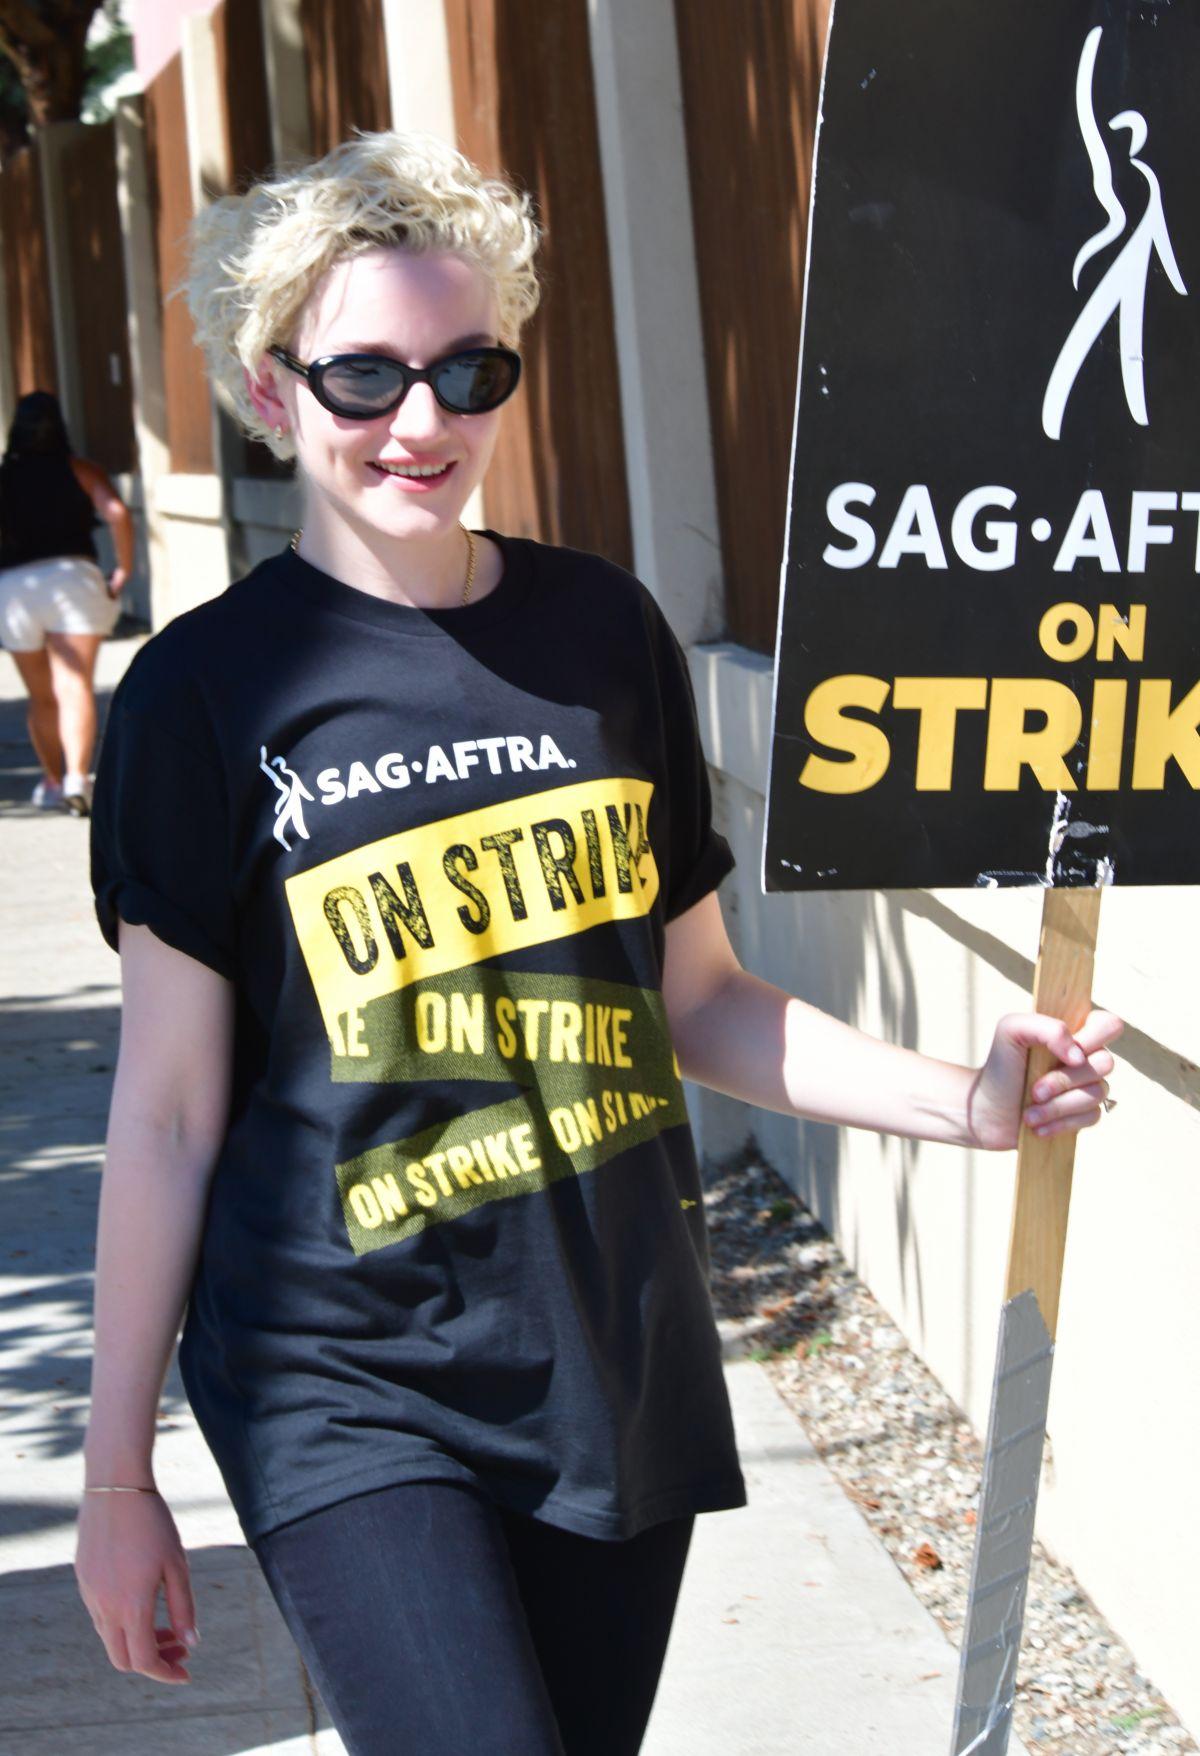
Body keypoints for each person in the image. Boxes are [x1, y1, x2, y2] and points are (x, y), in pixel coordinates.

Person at [73, 131, 1122, 1756]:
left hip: (607, 1347)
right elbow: (165, 1113)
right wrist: (118, 1471)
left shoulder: (600, 634)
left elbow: (699, 997)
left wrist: (968, 1102)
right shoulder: (201, 697)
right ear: (275, 392)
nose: (422, 423)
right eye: (365, 378)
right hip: (342, 1375)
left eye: (468, 368)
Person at [0, 390, 134, 815]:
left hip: (15, 588)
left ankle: (53, 781)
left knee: (41, 696)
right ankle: (79, 778)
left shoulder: (3, 476)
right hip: (74, 578)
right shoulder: (80, 470)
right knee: (74, 684)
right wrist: (124, 569)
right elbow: (116, 512)